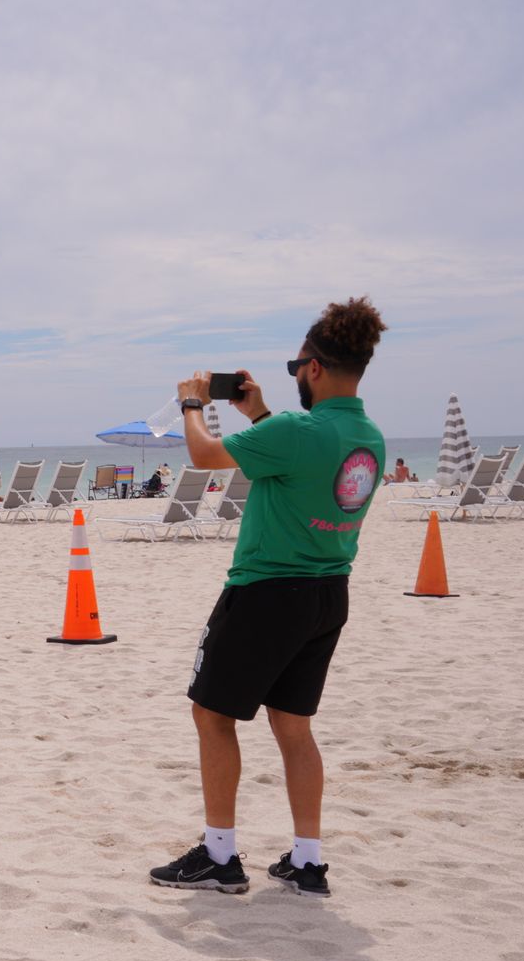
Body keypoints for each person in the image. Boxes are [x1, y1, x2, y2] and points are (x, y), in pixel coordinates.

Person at [149, 298, 387, 899]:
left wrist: (193, 403)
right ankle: (308, 862)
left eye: (294, 367)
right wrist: (258, 412)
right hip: (328, 593)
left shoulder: (297, 430)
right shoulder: (369, 438)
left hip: (266, 591)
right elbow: (299, 460)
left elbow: (205, 457)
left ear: (312, 367)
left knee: (212, 714)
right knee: (293, 726)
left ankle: (220, 855)